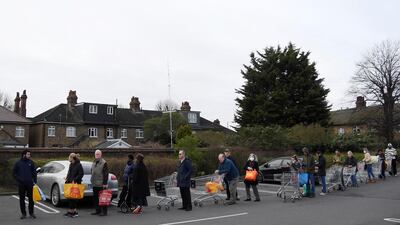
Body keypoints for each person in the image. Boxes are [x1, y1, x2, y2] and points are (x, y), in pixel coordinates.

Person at [13, 150, 37, 219]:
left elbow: (34, 173)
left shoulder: (31, 162)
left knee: (31, 199)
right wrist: (19, 180)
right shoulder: (18, 163)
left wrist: (35, 181)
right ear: (24, 155)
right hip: (21, 184)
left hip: (30, 184)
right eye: (28, 154)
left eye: (29, 154)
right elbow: (14, 173)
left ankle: (31, 213)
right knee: (22, 199)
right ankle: (23, 214)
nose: (29, 156)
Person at [64, 153, 84, 218]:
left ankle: (74, 212)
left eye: (69, 157)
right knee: (70, 198)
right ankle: (71, 211)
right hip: (70, 183)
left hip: (76, 184)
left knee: (74, 198)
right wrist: (67, 178)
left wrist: (75, 180)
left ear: (72, 158)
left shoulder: (79, 165)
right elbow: (69, 173)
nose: (68, 158)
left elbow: (81, 174)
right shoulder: (71, 164)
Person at [91, 150, 109, 216]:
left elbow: (106, 174)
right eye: (96, 154)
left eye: (98, 154)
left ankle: (104, 212)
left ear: (101, 155)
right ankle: (97, 210)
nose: (97, 155)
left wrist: (105, 183)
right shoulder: (94, 162)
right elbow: (92, 171)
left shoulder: (104, 163)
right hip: (95, 183)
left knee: (103, 198)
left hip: (101, 183)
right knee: (95, 198)